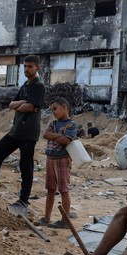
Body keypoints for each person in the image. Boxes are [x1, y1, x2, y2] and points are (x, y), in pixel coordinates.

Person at [0, 55, 46, 215]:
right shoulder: (24, 86)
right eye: (25, 66)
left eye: (30, 66)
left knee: (25, 165)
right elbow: (12, 104)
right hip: (16, 131)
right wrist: (22, 103)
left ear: (37, 68)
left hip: (28, 133)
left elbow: (31, 107)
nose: (27, 69)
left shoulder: (38, 86)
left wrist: (21, 105)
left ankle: (24, 200)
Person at [36, 98, 77, 229]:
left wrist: (53, 136)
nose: (53, 112)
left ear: (64, 107)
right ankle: (46, 217)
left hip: (62, 160)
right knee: (50, 189)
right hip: (50, 159)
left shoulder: (71, 125)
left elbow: (66, 140)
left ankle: (65, 220)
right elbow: (45, 134)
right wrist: (58, 137)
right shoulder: (54, 123)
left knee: (64, 190)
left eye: (55, 109)